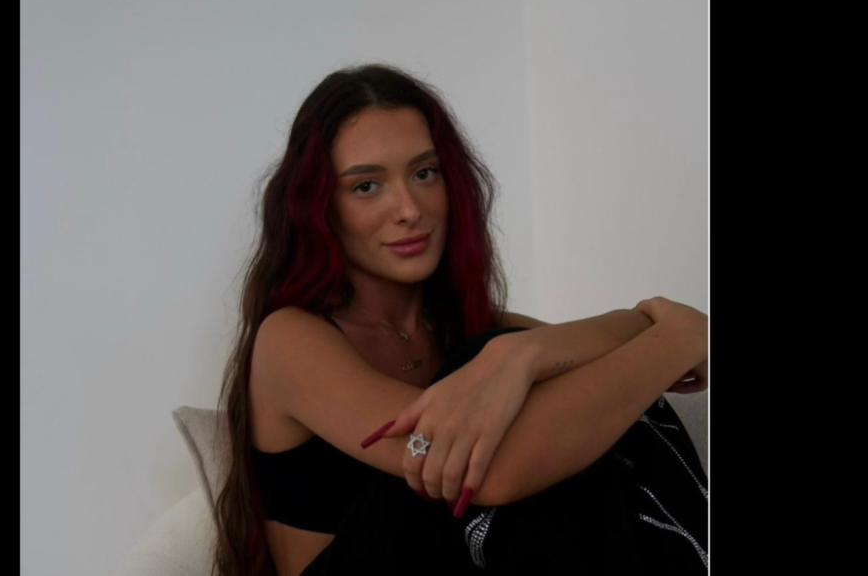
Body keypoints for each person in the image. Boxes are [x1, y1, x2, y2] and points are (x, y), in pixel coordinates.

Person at [210, 63, 708, 576]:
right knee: (508, 392)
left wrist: (526, 354)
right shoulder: (290, 338)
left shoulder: (470, 328)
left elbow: (615, 354)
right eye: (366, 186)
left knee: (564, 396)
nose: (409, 209)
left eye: (425, 173)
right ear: (319, 208)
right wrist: (679, 337)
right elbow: (488, 473)